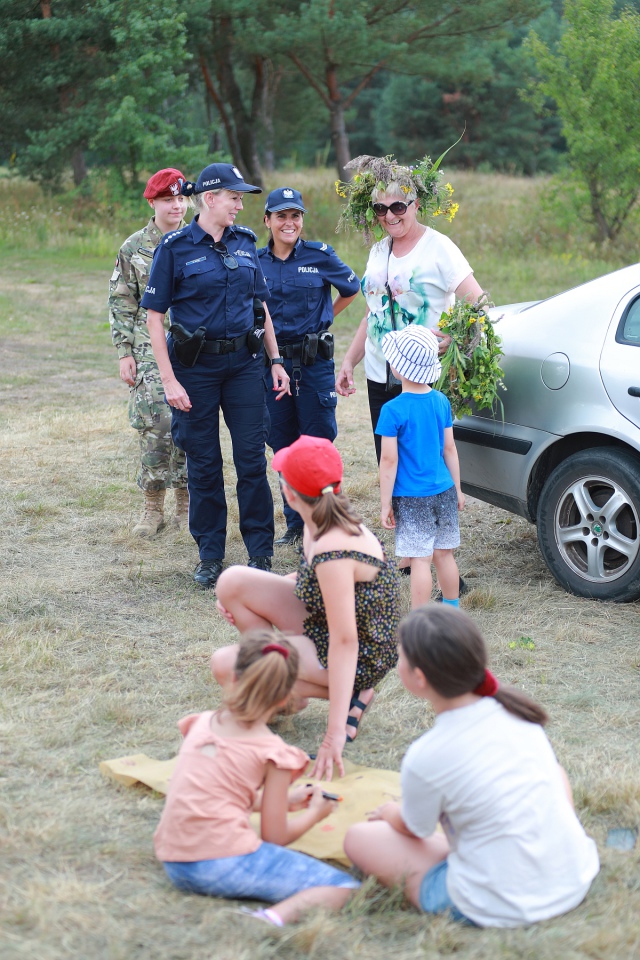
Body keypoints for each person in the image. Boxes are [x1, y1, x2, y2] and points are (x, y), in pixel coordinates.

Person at [344, 606, 600, 928]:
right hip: (573, 877)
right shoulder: (518, 713)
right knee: (556, 772)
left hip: (497, 903)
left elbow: (415, 830)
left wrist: (390, 813)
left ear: (419, 677)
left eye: (400, 658)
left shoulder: (426, 755)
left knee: (359, 838)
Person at [212, 436, 401, 782]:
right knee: (232, 584)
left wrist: (333, 736)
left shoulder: (333, 547)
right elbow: (312, 578)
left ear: (290, 494)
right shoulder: (324, 513)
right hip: (330, 623)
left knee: (227, 665)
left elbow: (346, 641)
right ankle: (281, 690)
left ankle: (303, 687)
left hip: (358, 653)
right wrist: (254, 599)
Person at [140, 163, 290, 589]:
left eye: (242, 198)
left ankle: (260, 553)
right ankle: (210, 554)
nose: (241, 205)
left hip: (244, 367)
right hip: (194, 370)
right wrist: (169, 381)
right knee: (204, 465)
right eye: (234, 197)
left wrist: (275, 360)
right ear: (209, 199)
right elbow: (155, 318)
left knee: (250, 460)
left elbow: (261, 307)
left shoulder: (245, 243)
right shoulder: (174, 248)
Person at [154, 631, 360, 926]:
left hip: (174, 858)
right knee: (345, 887)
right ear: (287, 696)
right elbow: (275, 837)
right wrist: (316, 813)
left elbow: (218, 790)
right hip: (218, 863)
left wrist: (284, 801)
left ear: (234, 678)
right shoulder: (273, 752)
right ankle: (270, 919)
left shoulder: (201, 722)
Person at [334, 155, 484, 465]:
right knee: (388, 460)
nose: (389, 216)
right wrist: (349, 361)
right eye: (380, 209)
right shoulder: (378, 250)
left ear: (415, 205)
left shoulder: (438, 247)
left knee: (423, 464)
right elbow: (371, 312)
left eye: (398, 207)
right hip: (379, 375)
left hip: (422, 376)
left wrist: (455, 339)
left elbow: (476, 301)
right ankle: (394, 514)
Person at [258, 187, 361, 545]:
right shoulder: (255, 262)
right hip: (273, 365)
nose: (290, 223)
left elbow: (351, 288)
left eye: (296, 216)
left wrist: (324, 319)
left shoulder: (320, 256)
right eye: (282, 216)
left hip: (313, 364)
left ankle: (328, 520)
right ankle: (296, 522)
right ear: (267, 220)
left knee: (318, 441)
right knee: (282, 443)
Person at [109, 168, 189, 536]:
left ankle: (187, 506)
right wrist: (124, 351)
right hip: (146, 348)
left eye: (180, 198)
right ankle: (152, 507)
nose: (175, 206)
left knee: (192, 426)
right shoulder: (134, 247)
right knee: (156, 424)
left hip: (193, 347)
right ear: (153, 202)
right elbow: (122, 300)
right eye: (167, 200)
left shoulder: (199, 239)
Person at [377, 325, 464, 608]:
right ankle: (452, 610)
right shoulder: (441, 401)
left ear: (398, 367)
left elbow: (389, 460)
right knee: (444, 555)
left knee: (420, 561)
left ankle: (419, 620)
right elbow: (449, 449)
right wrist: (459, 490)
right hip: (445, 490)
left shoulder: (392, 410)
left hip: (413, 498)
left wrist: (385, 503)